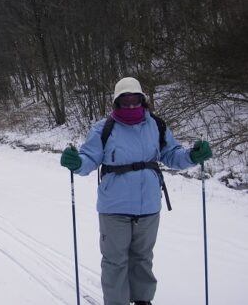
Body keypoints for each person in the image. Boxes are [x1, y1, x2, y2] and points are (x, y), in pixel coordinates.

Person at [60, 77, 212, 305]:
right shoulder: (104, 128)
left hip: (149, 206)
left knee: (142, 258)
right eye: (125, 101)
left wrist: (192, 155)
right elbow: (89, 158)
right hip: (114, 207)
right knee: (115, 261)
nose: (131, 105)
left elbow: (172, 154)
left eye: (135, 100)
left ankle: (143, 300)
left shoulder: (156, 125)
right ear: (116, 102)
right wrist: (76, 162)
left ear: (143, 100)